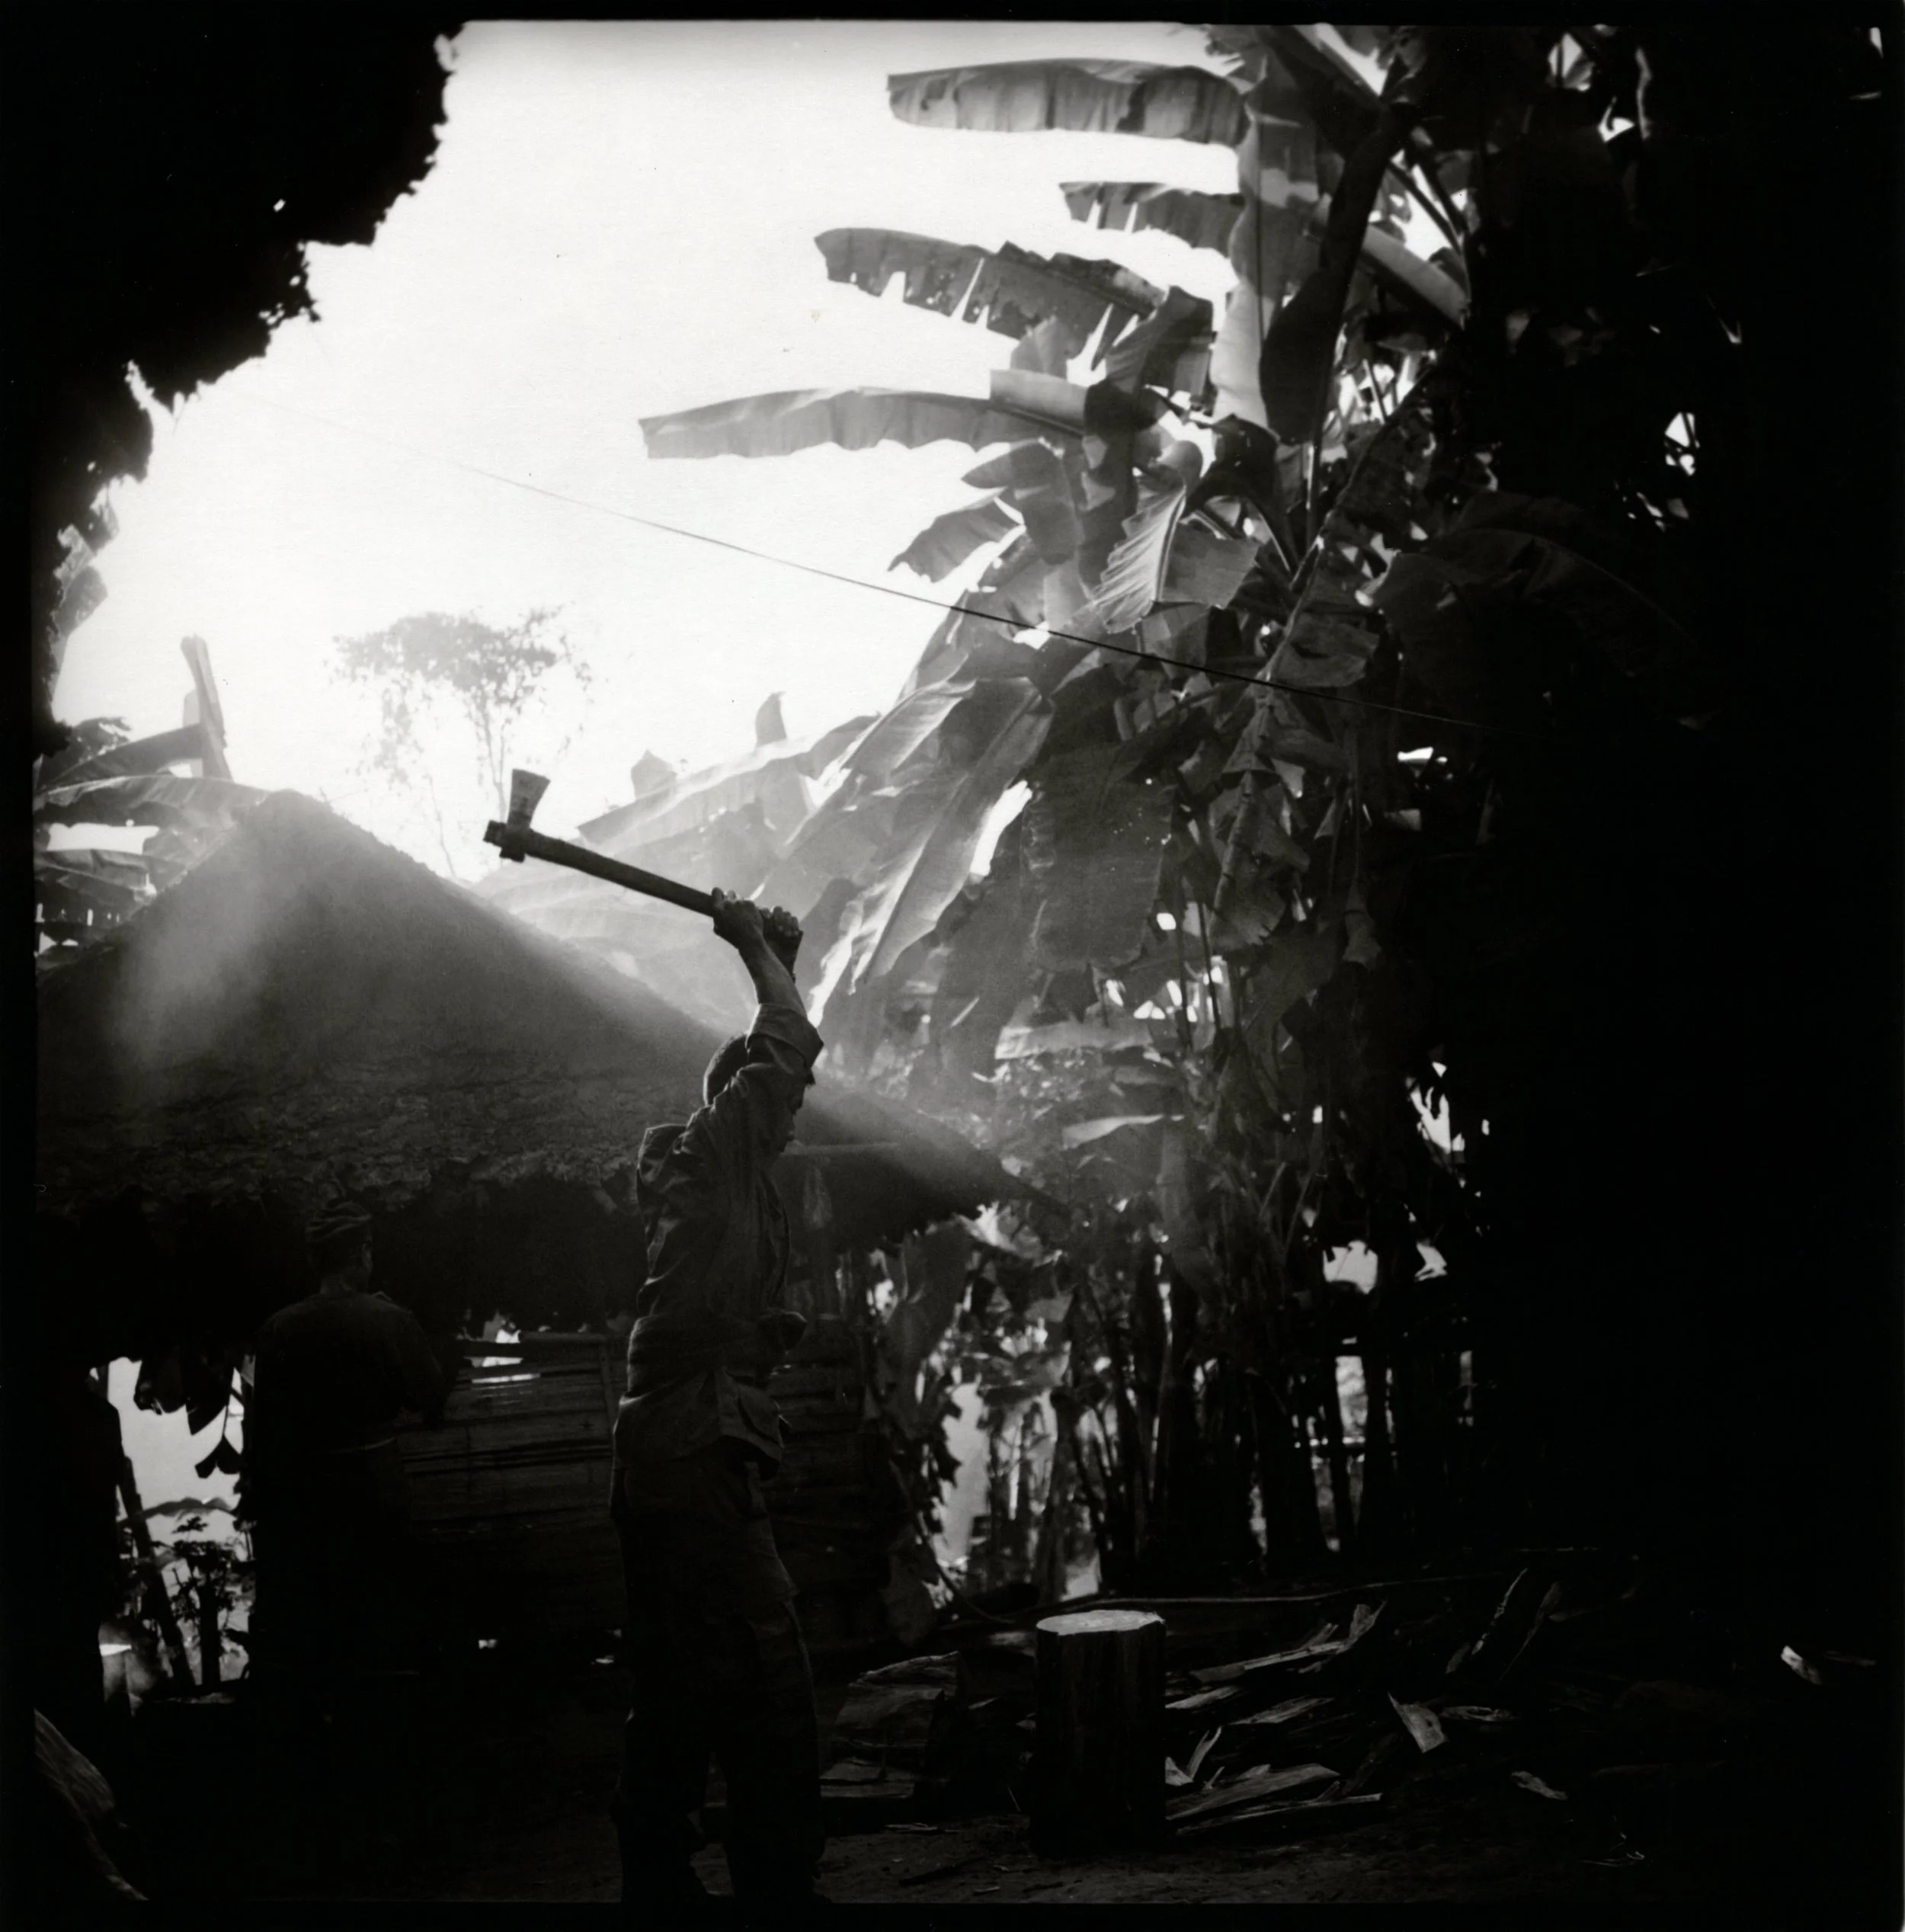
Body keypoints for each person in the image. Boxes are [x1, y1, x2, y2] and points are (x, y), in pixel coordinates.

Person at [609, 889, 825, 1911]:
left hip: (670, 1446)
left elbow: (773, 1052)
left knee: (678, 1671)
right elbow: (784, 1040)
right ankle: (774, 1885)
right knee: (762, 1661)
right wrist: (752, 948)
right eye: (775, 1102)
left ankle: (657, 1874)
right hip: (692, 1447)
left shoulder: (716, 1174)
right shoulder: (717, 1155)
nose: (791, 1106)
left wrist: (778, 953)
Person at [244, 1197, 448, 1729]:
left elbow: (264, 1425)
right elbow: (430, 1394)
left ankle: (330, 1723)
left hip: (309, 1490)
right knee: (383, 1598)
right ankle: (387, 1721)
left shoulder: (279, 1328)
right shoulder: (390, 1319)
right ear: (360, 1253)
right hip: (376, 1480)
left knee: (326, 1602)